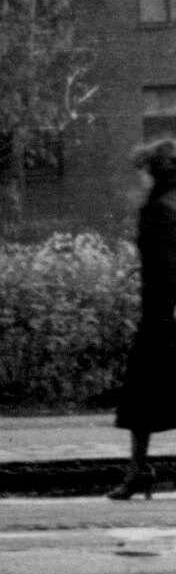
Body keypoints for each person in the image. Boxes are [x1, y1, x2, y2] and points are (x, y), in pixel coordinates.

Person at [114, 140, 176, 499]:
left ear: (153, 175)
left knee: (141, 398)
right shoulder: (166, 207)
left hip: (162, 318)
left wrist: (165, 313)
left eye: (140, 173)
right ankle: (137, 471)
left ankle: (138, 472)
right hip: (163, 314)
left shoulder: (159, 212)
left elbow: (167, 268)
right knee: (144, 398)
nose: (136, 180)